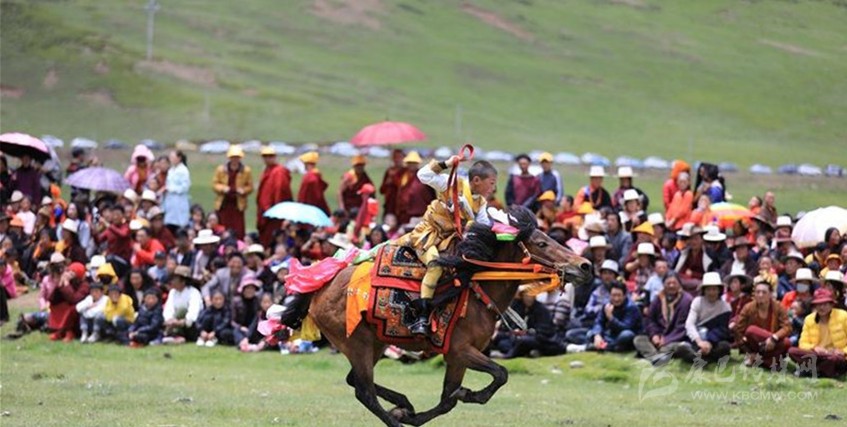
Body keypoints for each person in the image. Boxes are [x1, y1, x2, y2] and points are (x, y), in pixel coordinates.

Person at [398, 155, 497, 336]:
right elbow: (423, 175)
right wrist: (447, 164)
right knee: (436, 266)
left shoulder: (481, 203)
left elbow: (484, 226)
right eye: (491, 183)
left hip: (451, 240)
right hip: (429, 235)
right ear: (476, 180)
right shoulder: (451, 183)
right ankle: (421, 317)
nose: (493, 188)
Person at [634, 272, 694, 366]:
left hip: (676, 338)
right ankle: (656, 357)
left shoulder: (687, 300)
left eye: (674, 283)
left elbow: (683, 326)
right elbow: (650, 319)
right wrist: (654, 335)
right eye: (668, 283)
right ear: (663, 284)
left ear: (679, 284)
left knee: (677, 347)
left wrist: (666, 339)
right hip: (659, 337)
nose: (671, 286)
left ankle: (657, 355)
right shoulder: (658, 298)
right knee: (639, 339)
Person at [788, 288, 847, 378]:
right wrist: (815, 348)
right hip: (818, 354)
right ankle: (821, 370)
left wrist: (842, 351)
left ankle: (811, 370)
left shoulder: (843, 316)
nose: (821, 307)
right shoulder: (809, 319)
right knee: (792, 351)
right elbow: (802, 343)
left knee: (833, 359)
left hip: (836, 355)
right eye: (818, 304)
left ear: (832, 304)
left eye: (825, 304)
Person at [491, 286, 562, 358]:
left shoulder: (541, 310)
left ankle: (508, 355)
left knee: (523, 341)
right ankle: (528, 352)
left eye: (530, 296)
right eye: (526, 296)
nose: (528, 298)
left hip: (539, 339)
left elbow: (543, 332)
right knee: (502, 342)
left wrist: (526, 332)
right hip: (518, 338)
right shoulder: (519, 307)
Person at [733, 281, 791, 369]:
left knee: (787, 342)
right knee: (751, 330)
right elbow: (738, 329)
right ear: (754, 294)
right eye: (758, 292)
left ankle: (757, 360)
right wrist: (747, 351)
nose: (760, 295)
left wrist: (774, 338)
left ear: (770, 294)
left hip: (773, 344)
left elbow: (787, 327)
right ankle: (770, 361)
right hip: (754, 345)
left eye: (764, 292)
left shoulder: (779, 307)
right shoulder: (748, 308)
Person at [678, 272, 732, 364]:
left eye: (714, 289)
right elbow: (690, 324)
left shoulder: (725, 307)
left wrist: (709, 342)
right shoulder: (697, 302)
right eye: (709, 289)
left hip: (714, 341)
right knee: (682, 348)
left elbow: (722, 330)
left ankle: (702, 358)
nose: (711, 293)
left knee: (725, 347)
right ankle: (703, 357)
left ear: (719, 290)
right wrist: (699, 342)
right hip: (698, 338)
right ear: (704, 290)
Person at [566, 260, 619, 345]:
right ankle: (593, 343)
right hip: (593, 322)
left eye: (610, 273)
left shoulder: (619, 290)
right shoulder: (598, 290)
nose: (607, 276)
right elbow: (588, 309)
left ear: (615, 276)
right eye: (605, 273)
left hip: (610, 324)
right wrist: (601, 308)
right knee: (570, 331)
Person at [212, 145, 253, 239]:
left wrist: (243, 190)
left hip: (238, 205)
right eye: (233, 157)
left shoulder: (246, 171)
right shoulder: (221, 169)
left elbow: (250, 187)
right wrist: (223, 188)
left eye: (237, 157)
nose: (235, 159)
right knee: (222, 228)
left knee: (238, 229)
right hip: (224, 203)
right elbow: (215, 184)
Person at [587, 281, 641, 352]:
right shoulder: (607, 305)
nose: (616, 299)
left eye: (619, 295)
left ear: (624, 295)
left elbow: (625, 327)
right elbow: (599, 322)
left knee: (626, 335)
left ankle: (605, 346)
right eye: (613, 295)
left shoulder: (631, 307)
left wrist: (611, 318)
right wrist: (597, 335)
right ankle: (605, 345)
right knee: (590, 333)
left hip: (625, 334)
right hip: (610, 334)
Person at [256, 146, 292, 247]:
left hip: (274, 212)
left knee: (274, 238)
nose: (268, 159)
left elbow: (280, 191)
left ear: (275, 157)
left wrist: (277, 209)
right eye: (265, 156)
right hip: (265, 211)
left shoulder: (279, 171)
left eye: (270, 156)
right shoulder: (267, 170)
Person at [47, 262, 89, 342]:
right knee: (56, 306)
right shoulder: (69, 281)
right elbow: (52, 299)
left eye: (72, 273)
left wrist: (66, 284)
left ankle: (67, 332)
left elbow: (74, 299)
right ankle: (60, 330)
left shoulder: (85, 285)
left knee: (72, 309)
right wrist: (60, 283)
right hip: (67, 306)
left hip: (79, 310)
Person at [163, 265, 203, 344]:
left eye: (175, 279)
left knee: (182, 310)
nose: (172, 282)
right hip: (174, 323)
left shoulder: (194, 293)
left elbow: (193, 313)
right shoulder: (172, 292)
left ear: (183, 281)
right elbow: (169, 308)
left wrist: (181, 322)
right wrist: (169, 319)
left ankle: (176, 336)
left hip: (191, 325)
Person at [395, 151, 435, 226]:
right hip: (405, 213)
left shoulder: (423, 176)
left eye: (414, 163)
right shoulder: (403, 175)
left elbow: (431, 193)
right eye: (409, 163)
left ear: (417, 164)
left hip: (420, 213)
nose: (411, 165)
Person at [674, 224, 711, 293]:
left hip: (701, 284)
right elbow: (678, 270)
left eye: (696, 239)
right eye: (691, 239)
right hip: (683, 283)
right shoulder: (684, 253)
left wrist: (693, 274)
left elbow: (710, 273)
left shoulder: (709, 255)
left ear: (702, 240)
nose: (693, 242)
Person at [162, 150, 191, 230]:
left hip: (179, 200)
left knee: (179, 221)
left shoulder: (183, 170)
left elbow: (185, 187)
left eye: (173, 157)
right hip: (170, 200)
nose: (171, 159)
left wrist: (171, 189)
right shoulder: (171, 170)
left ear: (179, 158)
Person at [232, 275, 262, 351]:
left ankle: (244, 342)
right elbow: (232, 321)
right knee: (232, 331)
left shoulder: (257, 301)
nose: (250, 291)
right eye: (248, 288)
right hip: (239, 329)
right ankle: (243, 343)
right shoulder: (236, 301)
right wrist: (240, 327)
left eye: (252, 288)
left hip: (253, 330)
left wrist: (249, 330)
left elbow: (257, 319)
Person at [297, 151, 330, 215]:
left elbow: (304, 195)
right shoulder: (316, 175)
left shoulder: (310, 177)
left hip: (309, 209)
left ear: (307, 164)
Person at [379, 149, 405, 220]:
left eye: (399, 157)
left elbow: (404, 187)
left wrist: (394, 179)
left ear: (403, 158)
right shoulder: (389, 171)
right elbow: (381, 190)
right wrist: (387, 183)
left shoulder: (405, 171)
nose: (397, 160)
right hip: (389, 204)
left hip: (401, 204)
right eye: (395, 157)